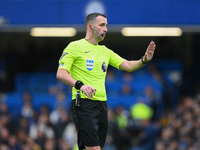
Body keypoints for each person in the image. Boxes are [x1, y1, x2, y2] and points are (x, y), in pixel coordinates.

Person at [56, 12, 156, 150]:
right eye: (102, 25)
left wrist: (144, 59)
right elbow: (61, 73)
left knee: (94, 148)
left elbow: (127, 65)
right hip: (84, 103)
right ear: (90, 26)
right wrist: (81, 85)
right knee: (94, 148)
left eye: (106, 26)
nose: (106, 29)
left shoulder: (105, 51)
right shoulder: (75, 46)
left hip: (102, 104)